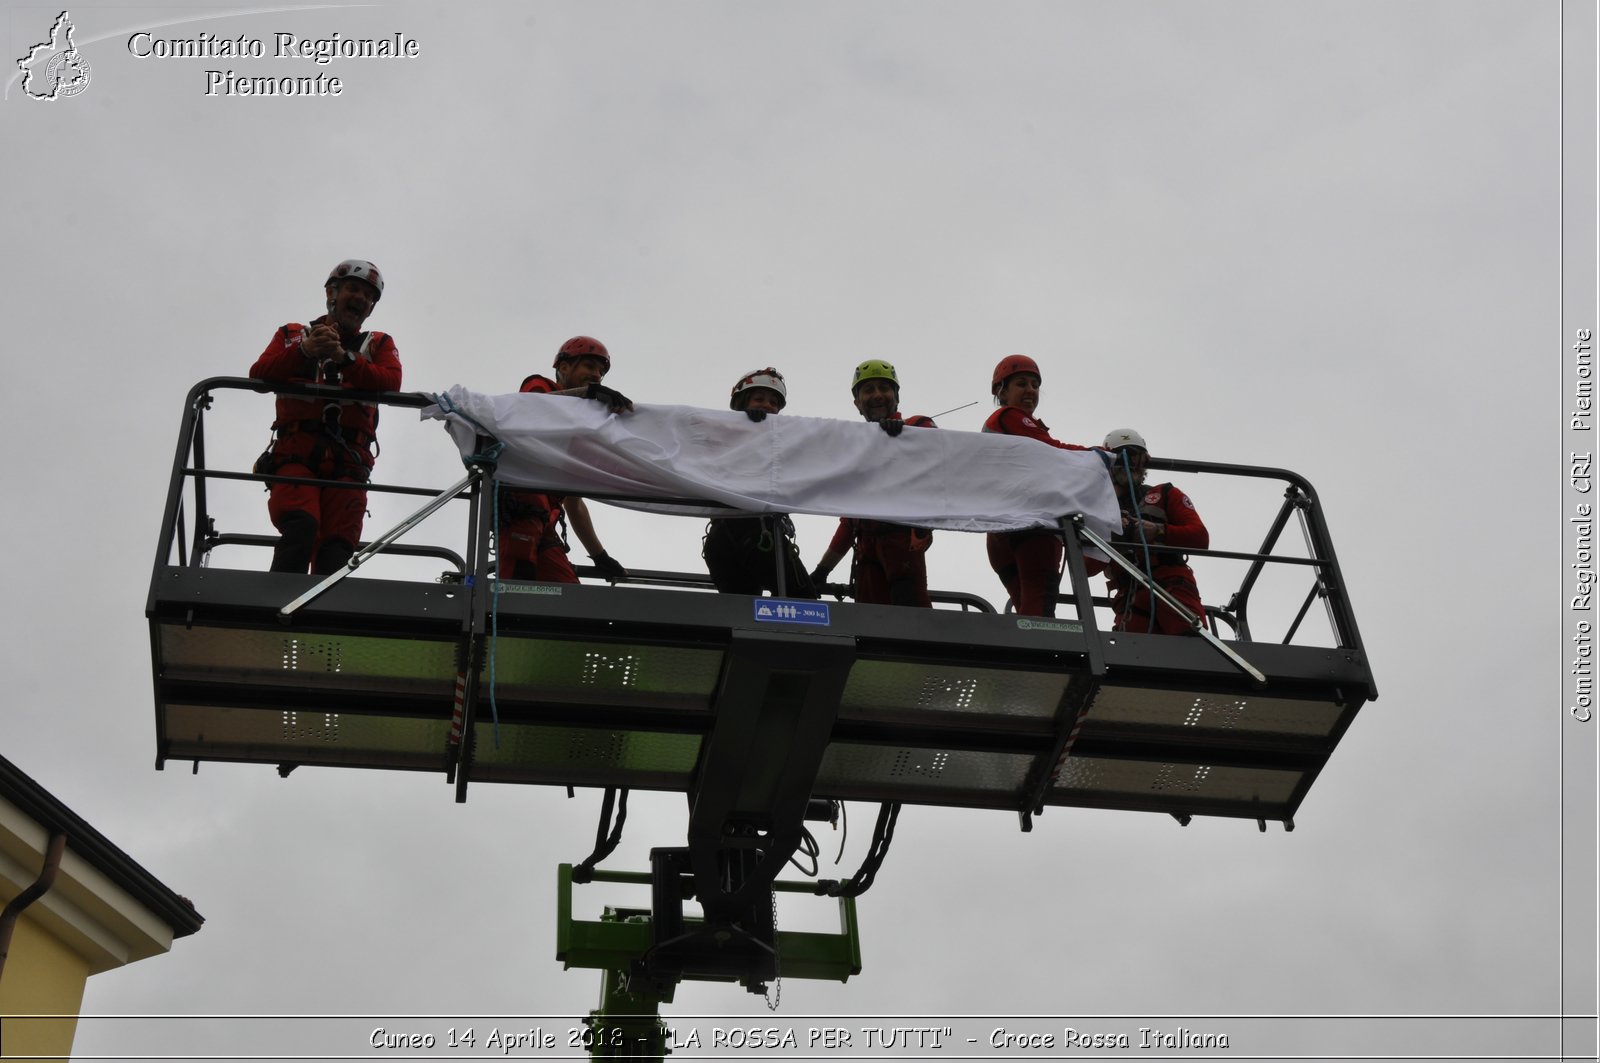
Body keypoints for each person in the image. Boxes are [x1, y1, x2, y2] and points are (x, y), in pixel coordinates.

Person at [250, 259, 402, 574]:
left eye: (368, 296)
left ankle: (324, 615)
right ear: (332, 293)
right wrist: (304, 352)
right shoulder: (292, 334)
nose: (361, 299)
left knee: (337, 545)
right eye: (354, 289)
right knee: (301, 527)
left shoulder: (378, 344)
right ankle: (276, 609)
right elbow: (259, 376)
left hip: (349, 462)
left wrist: (343, 359)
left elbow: (391, 382)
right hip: (296, 455)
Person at [497, 335, 631, 584]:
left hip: (544, 530)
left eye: (601, 372)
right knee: (513, 597)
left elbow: (574, 503)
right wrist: (588, 393)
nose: (597, 375)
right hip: (520, 518)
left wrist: (600, 556)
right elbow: (532, 410)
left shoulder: (573, 432)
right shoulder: (539, 385)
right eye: (590, 367)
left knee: (570, 601)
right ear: (564, 367)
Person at [808, 360, 936, 607]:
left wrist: (904, 436)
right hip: (867, 550)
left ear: (896, 398)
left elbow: (937, 457)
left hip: (902, 544)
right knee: (869, 629)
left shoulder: (918, 425)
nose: (877, 395)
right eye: (868, 390)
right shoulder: (856, 453)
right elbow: (849, 524)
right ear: (857, 404)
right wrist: (822, 571)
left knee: (912, 622)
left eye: (884, 388)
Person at [981, 354, 1095, 617]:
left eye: (1034, 385)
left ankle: (1027, 654)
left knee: (1028, 611)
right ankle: (1041, 655)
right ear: (1001, 391)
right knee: (1039, 612)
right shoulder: (1009, 416)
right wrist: (1096, 454)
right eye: (1021, 383)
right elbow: (1053, 450)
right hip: (1032, 525)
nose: (1030, 390)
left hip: (1002, 529)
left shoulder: (1004, 423)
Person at [700, 368, 818, 599]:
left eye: (773, 402)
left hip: (750, 536)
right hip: (749, 536)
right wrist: (747, 430)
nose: (767, 405)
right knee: (805, 603)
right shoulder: (723, 437)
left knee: (744, 611)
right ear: (743, 402)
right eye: (759, 399)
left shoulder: (783, 443)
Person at [1102, 428, 1209, 634]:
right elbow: (1086, 566)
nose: (1131, 463)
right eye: (1123, 456)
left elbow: (1200, 538)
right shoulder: (1099, 509)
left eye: (1137, 457)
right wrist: (1109, 534)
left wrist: (1158, 531)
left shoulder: (1165, 494)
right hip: (1129, 598)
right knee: (1130, 659)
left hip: (1172, 585)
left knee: (1194, 648)